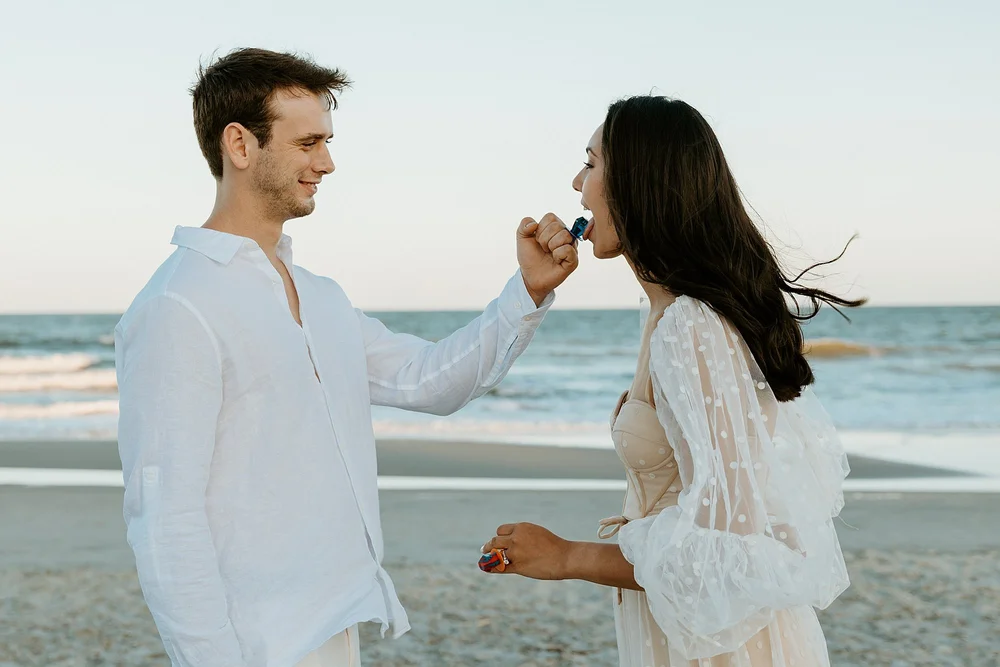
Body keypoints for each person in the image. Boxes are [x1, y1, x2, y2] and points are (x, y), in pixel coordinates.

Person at [114, 47, 580, 667]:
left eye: (326, 142)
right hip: (253, 645)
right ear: (240, 145)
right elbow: (165, 517)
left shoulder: (321, 297)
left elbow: (429, 382)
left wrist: (527, 292)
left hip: (338, 624)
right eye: (308, 144)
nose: (327, 163)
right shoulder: (179, 303)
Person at [479, 96, 863, 667]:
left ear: (638, 183)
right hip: (688, 627)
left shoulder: (689, 325)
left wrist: (568, 557)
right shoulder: (666, 313)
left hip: (731, 647)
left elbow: (730, 547)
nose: (577, 183)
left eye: (591, 163)